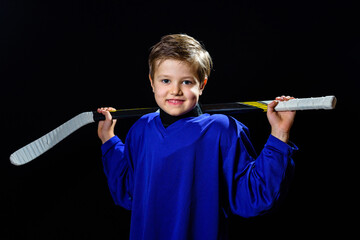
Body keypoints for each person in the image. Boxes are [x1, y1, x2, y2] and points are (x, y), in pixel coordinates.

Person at [97, 34, 297, 240]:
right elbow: (129, 192)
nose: (175, 90)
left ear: (201, 84)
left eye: (186, 82)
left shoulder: (222, 129)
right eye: (165, 80)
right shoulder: (141, 129)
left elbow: (254, 196)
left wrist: (279, 134)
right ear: (152, 82)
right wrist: (109, 140)